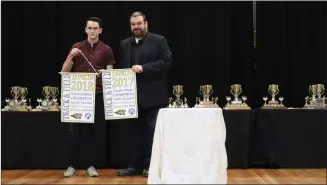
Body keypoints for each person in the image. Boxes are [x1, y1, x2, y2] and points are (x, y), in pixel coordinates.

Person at [116, 11, 172, 177]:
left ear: (146, 23)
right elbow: (123, 68)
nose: (136, 27)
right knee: (133, 134)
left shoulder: (159, 40)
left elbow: (166, 62)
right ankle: (134, 166)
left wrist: (144, 68)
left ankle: (151, 166)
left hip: (153, 97)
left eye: (139, 23)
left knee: (152, 132)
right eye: (133, 24)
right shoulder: (124, 44)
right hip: (130, 97)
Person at [61, 17, 116, 178]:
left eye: (95, 28)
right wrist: (71, 56)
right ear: (85, 30)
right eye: (89, 28)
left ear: (100, 30)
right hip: (78, 95)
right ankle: (71, 166)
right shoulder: (76, 47)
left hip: (97, 94)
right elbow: (64, 71)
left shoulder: (106, 50)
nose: (92, 31)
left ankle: (90, 166)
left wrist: (105, 74)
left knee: (93, 133)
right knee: (74, 132)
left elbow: (111, 74)